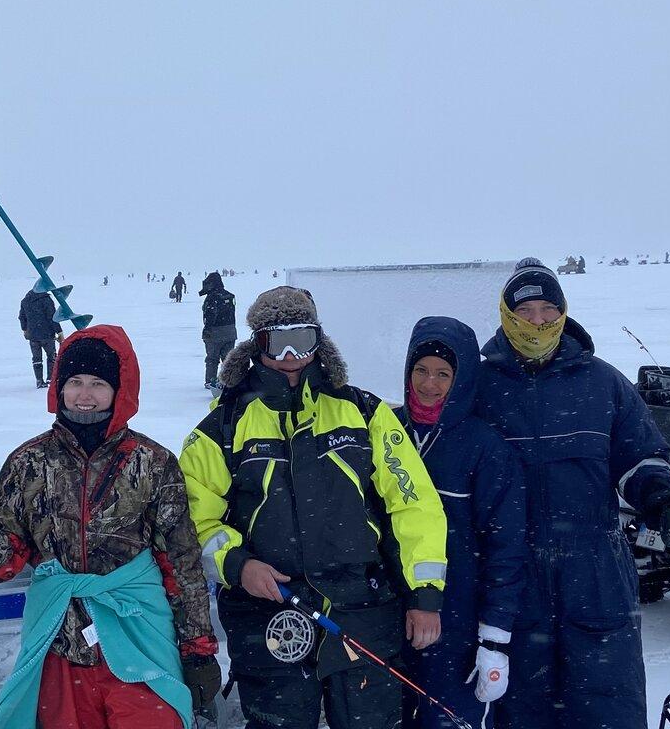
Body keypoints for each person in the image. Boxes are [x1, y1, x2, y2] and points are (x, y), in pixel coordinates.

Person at [180, 287, 449, 729]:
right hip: (270, 617)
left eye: (301, 341)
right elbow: (194, 520)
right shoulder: (221, 427)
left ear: (319, 342)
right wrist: (237, 564)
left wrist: (424, 596)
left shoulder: (363, 412)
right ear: (255, 346)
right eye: (276, 341)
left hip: (362, 611)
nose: (290, 355)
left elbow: (413, 505)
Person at [0, 326, 221, 729]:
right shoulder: (28, 462)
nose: (85, 394)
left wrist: (198, 651)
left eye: (98, 383)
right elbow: (5, 563)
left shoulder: (152, 462)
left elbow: (180, 565)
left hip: (139, 637)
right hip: (61, 644)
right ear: (59, 387)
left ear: (120, 390)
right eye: (75, 382)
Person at [473, 259, 670, 729]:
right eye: (527, 309)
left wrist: (659, 497)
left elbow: (639, 456)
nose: (539, 320)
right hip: (513, 573)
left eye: (550, 309)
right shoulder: (480, 388)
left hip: (596, 571)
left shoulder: (602, 382)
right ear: (508, 315)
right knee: (521, 708)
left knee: (608, 703)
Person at [395, 318, 529, 729]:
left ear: (463, 378)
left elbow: (505, 549)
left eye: (442, 374)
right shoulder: (387, 430)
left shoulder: (484, 447)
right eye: (420, 370)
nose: (429, 384)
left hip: (459, 627)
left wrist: (493, 640)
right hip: (391, 618)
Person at [198, 272, 237, 391]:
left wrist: (207, 330)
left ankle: (211, 381)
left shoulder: (212, 298)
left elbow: (210, 316)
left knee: (212, 359)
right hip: (230, 332)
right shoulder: (229, 296)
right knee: (228, 359)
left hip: (214, 333)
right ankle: (229, 381)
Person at [20, 289, 64, 389]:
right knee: (51, 357)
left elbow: (21, 317)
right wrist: (59, 332)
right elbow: (53, 318)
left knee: (36, 359)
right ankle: (50, 380)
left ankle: (39, 381)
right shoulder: (46, 300)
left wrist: (25, 329)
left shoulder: (25, 301)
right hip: (47, 334)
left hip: (33, 336)